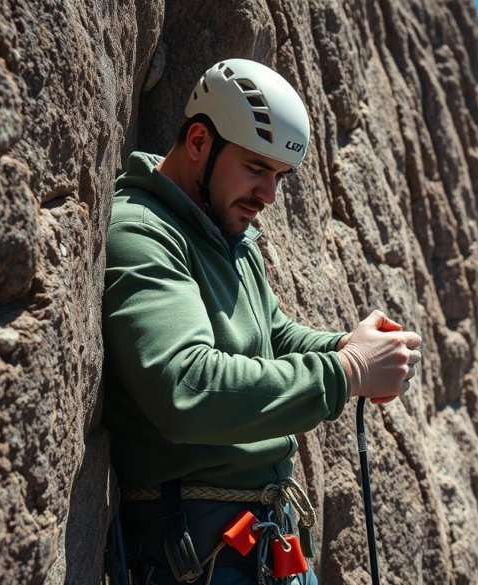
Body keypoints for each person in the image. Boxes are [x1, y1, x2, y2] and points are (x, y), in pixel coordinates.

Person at [102, 58, 422, 585]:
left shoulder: (228, 237)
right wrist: (347, 371)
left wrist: (351, 346)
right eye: (256, 168)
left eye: (280, 176)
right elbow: (186, 387)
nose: (269, 196)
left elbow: (274, 335)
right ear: (200, 142)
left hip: (264, 539)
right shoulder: (143, 232)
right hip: (195, 550)